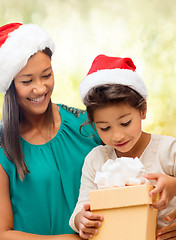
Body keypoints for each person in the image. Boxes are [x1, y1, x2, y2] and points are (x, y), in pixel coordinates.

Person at [0, 22, 102, 239]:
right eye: (27, 81)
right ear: (9, 85)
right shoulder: (2, 148)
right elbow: (3, 232)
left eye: (46, 75)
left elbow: (135, 173)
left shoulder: (86, 125)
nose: (40, 88)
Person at [69, 54, 176, 240]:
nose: (117, 136)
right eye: (105, 128)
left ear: (143, 111)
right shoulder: (96, 160)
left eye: (125, 123)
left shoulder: (168, 150)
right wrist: (81, 220)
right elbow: (82, 206)